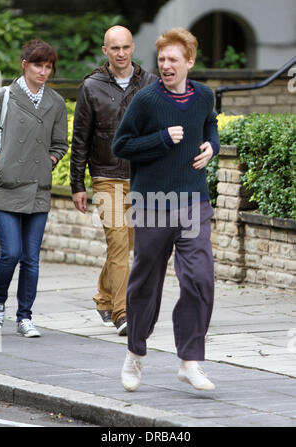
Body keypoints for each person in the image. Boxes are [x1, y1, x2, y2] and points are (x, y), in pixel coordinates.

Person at [113, 28, 220, 391]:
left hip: (193, 202)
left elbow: (210, 126)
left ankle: (190, 360)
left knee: (200, 278)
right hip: (153, 204)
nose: (166, 65)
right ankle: (135, 355)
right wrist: (160, 139)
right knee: (146, 281)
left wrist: (211, 148)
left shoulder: (204, 96)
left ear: (189, 61)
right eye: (162, 60)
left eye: (174, 59)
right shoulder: (146, 100)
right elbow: (122, 145)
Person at [70, 26, 157, 336]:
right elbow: (80, 139)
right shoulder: (91, 87)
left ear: (132, 48)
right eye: (114, 48)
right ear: (105, 51)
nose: (121, 53)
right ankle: (123, 313)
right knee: (118, 244)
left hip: (141, 177)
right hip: (106, 176)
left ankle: (104, 297)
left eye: (125, 47)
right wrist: (77, 184)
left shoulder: (149, 83)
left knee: (128, 244)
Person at [0, 40, 68, 337]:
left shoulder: (56, 102)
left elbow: (60, 144)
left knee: (31, 258)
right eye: (38, 65)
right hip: (5, 184)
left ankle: (25, 315)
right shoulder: (3, 96)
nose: (43, 71)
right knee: (10, 253)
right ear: (24, 64)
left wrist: (48, 160)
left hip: (38, 187)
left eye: (48, 66)